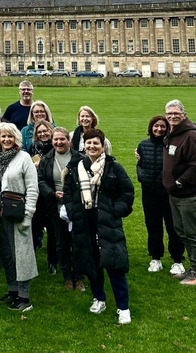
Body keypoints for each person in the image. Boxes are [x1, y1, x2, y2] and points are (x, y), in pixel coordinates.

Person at [63, 128, 135, 325]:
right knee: (91, 262)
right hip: (84, 220)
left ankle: (123, 307)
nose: (92, 146)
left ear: (103, 146)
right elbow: (68, 191)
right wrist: (72, 211)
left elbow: (127, 192)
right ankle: (99, 298)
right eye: (88, 143)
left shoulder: (113, 167)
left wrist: (115, 210)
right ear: (84, 146)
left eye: (96, 143)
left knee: (114, 264)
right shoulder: (77, 167)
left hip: (107, 221)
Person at [0, 122, 39, 312]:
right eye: (3, 136)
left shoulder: (24, 158)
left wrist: (28, 214)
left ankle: (24, 297)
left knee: (21, 255)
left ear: (16, 138)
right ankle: (13, 291)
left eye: (10, 136)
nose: (6, 139)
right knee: (6, 254)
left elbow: (32, 188)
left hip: (16, 214)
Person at [162, 99, 196, 286]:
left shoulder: (191, 136)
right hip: (176, 195)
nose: (172, 116)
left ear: (184, 115)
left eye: (176, 113)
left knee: (194, 233)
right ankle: (194, 268)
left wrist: (179, 183)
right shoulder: (172, 133)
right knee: (183, 232)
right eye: (169, 114)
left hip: (191, 195)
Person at [136, 115, 185, 275]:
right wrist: (143, 177)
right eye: (156, 126)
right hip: (149, 193)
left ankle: (177, 260)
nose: (159, 129)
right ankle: (155, 258)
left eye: (163, 126)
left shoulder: (171, 145)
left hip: (169, 193)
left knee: (173, 227)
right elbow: (139, 165)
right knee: (153, 226)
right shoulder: (143, 145)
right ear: (151, 128)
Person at [38, 126, 84, 291]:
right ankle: (67, 277)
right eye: (56, 139)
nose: (59, 142)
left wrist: (73, 195)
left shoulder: (79, 158)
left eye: (62, 139)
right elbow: (41, 180)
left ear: (68, 140)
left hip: (76, 206)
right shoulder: (46, 159)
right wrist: (52, 193)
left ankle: (78, 277)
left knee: (78, 242)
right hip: (55, 207)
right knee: (61, 242)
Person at [27, 120, 56, 258]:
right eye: (39, 132)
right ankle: (31, 256)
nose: (43, 134)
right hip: (37, 190)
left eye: (45, 131)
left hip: (53, 189)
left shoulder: (56, 146)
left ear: (50, 131)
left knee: (52, 227)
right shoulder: (34, 147)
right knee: (35, 224)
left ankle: (53, 259)